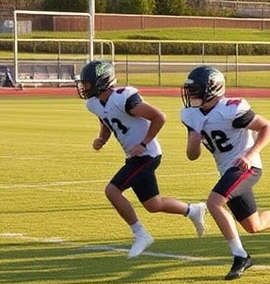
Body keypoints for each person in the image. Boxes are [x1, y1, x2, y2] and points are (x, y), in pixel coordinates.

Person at [180, 65, 270, 280]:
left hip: (246, 167)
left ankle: (241, 256)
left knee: (213, 202)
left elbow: (269, 127)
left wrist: (250, 155)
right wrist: (193, 142)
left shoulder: (230, 108)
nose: (191, 94)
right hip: (227, 170)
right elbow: (192, 156)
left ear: (212, 89)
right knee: (253, 225)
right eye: (190, 89)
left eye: (196, 89)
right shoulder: (190, 115)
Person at [76, 60, 206, 258]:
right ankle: (193, 210)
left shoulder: (124, 99)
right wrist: (102, 138)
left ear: (101, 81)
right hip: (136, 156)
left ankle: (140, 234)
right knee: (153, 204)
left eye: (87, 83)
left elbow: (158, 117)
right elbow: (106, 120)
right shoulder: (94, 103)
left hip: (147, 155)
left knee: (112, 190)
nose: (84, 87)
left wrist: (144, 143)